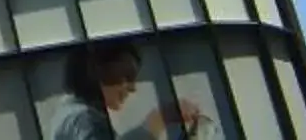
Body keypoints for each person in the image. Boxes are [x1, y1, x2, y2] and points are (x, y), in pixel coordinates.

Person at [52, 40, 213, 139]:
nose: (132, 88)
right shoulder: (82, 119)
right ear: (97, 71)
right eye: (126, 75)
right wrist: (159, 119)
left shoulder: (70, 115)